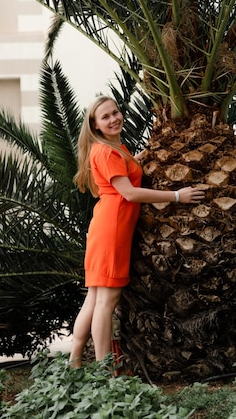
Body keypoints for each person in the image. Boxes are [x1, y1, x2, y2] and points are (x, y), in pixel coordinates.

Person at [68, 95, 205, 368]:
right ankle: (104, 369)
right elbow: (129, 193)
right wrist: (176, 195)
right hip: (112, 228)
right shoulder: (106, 152)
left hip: (106, 225)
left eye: (115, 112)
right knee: (107, 301)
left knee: (95, 298)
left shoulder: (114, 149)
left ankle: (74, 360)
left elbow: (128, 170)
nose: (113, 119)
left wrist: (143, 155)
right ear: (95, 125)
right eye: (105, 117)